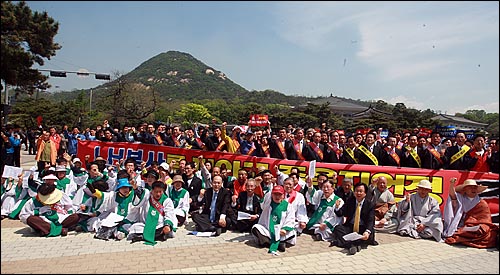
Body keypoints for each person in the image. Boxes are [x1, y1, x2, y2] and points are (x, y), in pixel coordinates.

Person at [443, 178, 499, 248]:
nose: (473, 189)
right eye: (470, 187)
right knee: (459, 230)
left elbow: (485, 219)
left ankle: (463, 236)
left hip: (474, 225)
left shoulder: (482, 203)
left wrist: (473, 222)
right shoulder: (461, 198)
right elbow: (452, 195)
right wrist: (451, 185)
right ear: (465, 190)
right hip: (460, 224)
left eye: (475, 188)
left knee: (485, 230)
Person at [330, 183, 377, 255]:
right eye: (356, 191)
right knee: (338, 229)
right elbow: (341, 213)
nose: (358, 193)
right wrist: (337, 207)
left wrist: (367, 231)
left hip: (363, 228)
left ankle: (343, 243)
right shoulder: (350, 201)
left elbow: (371, 220)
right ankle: (352, 246)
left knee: (368, 235)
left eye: (361, 191)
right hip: (351, 226)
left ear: (365, 193)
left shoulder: (370, 204)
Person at [127, 181, 177, 245]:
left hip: (159, 225)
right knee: (134, 228)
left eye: (160, 192)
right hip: (146, 224)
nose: (158, 194)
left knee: (163, 229)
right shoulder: (147, 196)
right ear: (152, 190)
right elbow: (140, 193)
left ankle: (143, 237)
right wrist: (135, 186)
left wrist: (167, 225)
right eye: (156, 192)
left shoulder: (167, 200)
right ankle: (156, 236)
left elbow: (169, 213)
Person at [251, 185, 296, 255]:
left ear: (283, 195)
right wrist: (259, 184)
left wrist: (285, 229)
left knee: (292, 233)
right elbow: (263, 198)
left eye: (279, 194)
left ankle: (273, 243)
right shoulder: (268, 204)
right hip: (268, 230)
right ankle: (279, 244)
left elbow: (291, 219)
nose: (277, 197)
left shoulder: (288, 206)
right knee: (256, 228)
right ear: (272, 195)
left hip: (281, 232)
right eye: (275, 194)